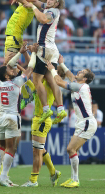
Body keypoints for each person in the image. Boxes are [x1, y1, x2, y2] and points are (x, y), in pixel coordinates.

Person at [47, 55, 97, 188]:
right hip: (83, 122)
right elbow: (70, 75)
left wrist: (53, 70)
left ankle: (75, 180)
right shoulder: (79, 84)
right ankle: (74, 178)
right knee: (73, 150)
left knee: (70, 148)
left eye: (82, 72)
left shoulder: (81, 87)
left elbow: (59, 82)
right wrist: (62, 65)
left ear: (85, 78)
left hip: (86, 122)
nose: (79, 72)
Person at [0, 43, 37, 187]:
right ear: (6, 75)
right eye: (9, 70)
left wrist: (20, 53)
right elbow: (30, 69)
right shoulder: (16, 83)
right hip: (12, 117)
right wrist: (34, 53)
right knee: (11, 148)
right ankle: (3, 176)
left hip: (0, 117)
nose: (12, 70)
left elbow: (9, 66)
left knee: (2, 145)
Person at [23, 0, 67, 124]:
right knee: (50, 80)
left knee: (36, 80)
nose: (48, 1)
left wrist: (34, 8)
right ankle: (60, 109)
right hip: (52, 49)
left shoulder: (52, 11)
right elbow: (33, 1)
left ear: (57, 3)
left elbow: (41, 18)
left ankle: (46, 109)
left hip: (44, 48)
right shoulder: (49, 8)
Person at [21, 65, 66, 187]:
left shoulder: (50, 85)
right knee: (39, 150)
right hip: (38, 119)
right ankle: (53, 172)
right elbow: (30, 77)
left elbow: (33, 76)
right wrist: (19, 66)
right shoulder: (42, 83)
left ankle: (33, 180)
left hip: (42, 119)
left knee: (36, 152)